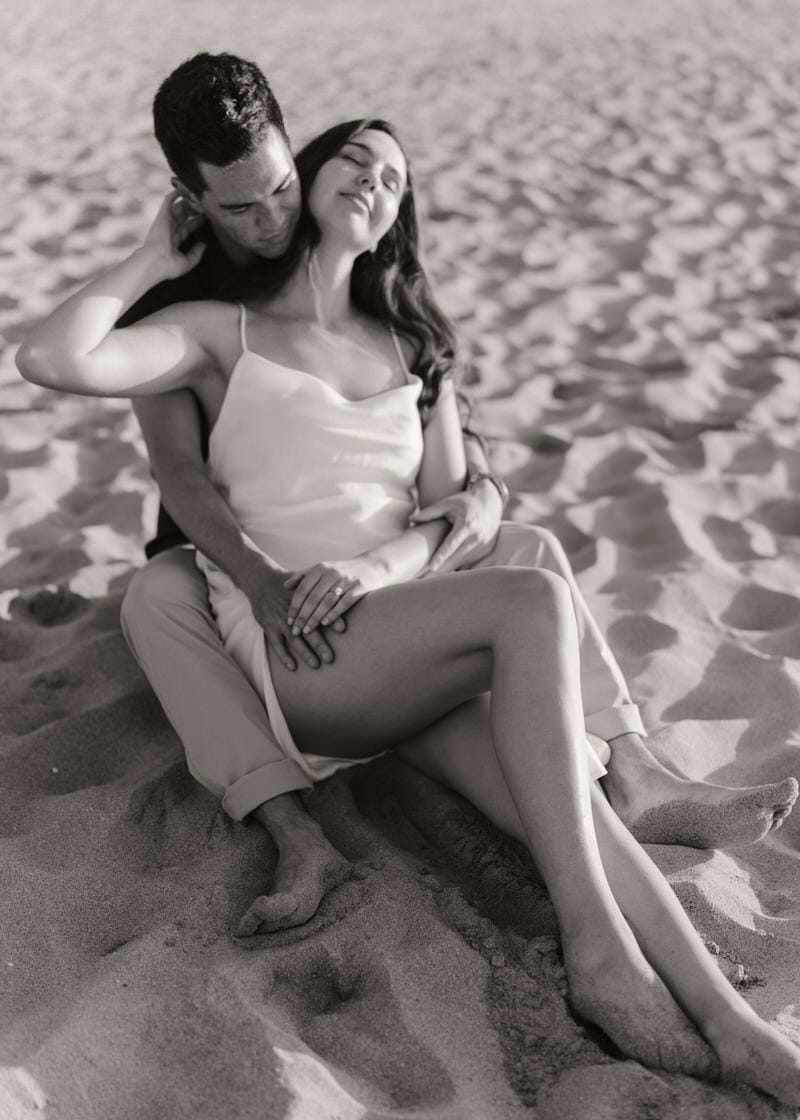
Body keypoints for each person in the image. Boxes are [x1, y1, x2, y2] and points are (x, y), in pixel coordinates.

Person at [16, 116, 800, 1105]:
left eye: (394, 177)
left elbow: (463, 509)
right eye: (355, 157)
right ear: (306, 177)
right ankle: (598, 954)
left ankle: (729, 1029)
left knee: (562, 811)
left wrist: (398, 556)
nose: (375, 180)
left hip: (403, 647)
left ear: (398, 217)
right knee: (528, 603)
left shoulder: (404, 340)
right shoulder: (224, 329)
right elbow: (53, 356)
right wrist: (143, 257)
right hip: (304, 651)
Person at [114, 54, 795, 939]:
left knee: (533, 548)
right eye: (241, 205)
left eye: (280, 187)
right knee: (159, 591)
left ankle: (634, 771)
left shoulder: (381, 303)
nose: (269, 218)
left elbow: (430, 421)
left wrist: (477, 489)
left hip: (371, 562)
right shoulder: (187, 290)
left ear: (293, 155)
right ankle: (291, 826)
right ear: (191, 196)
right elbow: (169, 459)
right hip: (233, 552)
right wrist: (257, 573)